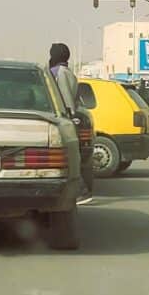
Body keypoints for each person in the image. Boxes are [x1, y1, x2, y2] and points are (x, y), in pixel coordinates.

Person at [49, 43, 92, 205]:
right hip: (69, 120)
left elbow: (64, 99)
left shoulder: (58, 73)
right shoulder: (67, 72)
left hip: (64, 121)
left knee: (67, 159)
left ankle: (81, 192)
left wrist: (66, 118)